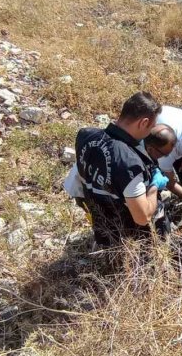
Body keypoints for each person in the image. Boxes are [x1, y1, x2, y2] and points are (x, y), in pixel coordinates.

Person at [71, 92, 170, 247]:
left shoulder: (86, 135)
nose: (149, 133)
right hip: (129, 241)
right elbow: (142, 217)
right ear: (143, 123)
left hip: (102, 227)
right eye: (151, 126)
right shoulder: (129, 162)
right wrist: (154, 186)